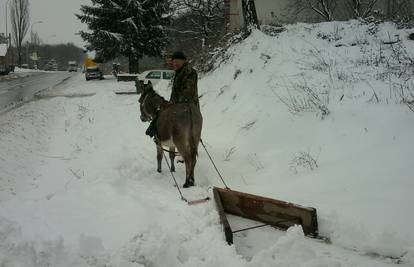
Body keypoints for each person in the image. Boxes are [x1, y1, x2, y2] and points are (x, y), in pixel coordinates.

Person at [145, 51, 199, 138]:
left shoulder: (189, 72)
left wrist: (173, 104)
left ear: (184, 61)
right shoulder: (178, 72)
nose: (175, 63)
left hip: (187, 107)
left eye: (178, 61)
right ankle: (157, 135)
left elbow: (188, 92)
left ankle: (162, 136)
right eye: (174, 61)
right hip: (178, 105)